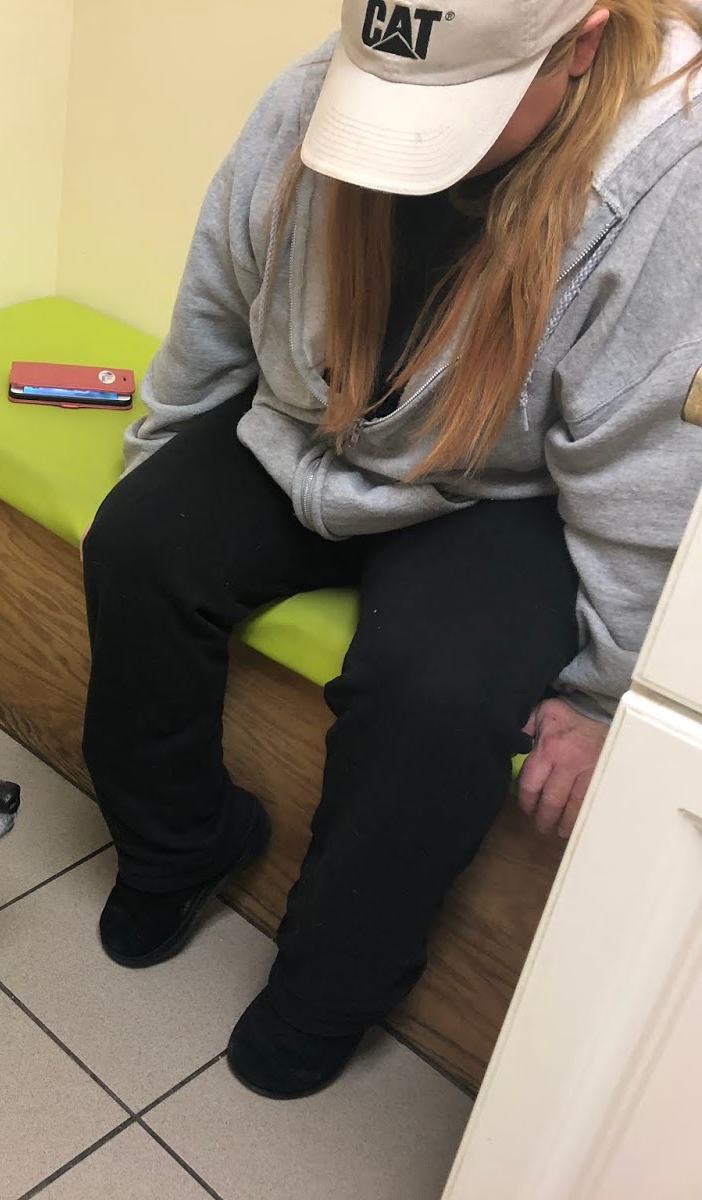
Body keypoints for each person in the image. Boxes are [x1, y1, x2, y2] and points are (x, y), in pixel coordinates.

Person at [82, 0, 702, 1100]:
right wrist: (159, 459)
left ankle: (328, 990)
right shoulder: (308, 92)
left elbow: (645, 463)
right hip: (314, 429)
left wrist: (610, 691)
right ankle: (181, 847)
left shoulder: (672, 170)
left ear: (581, 46)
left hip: (502, 492)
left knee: (437, 695)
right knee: (136, 545)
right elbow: (216, 298)